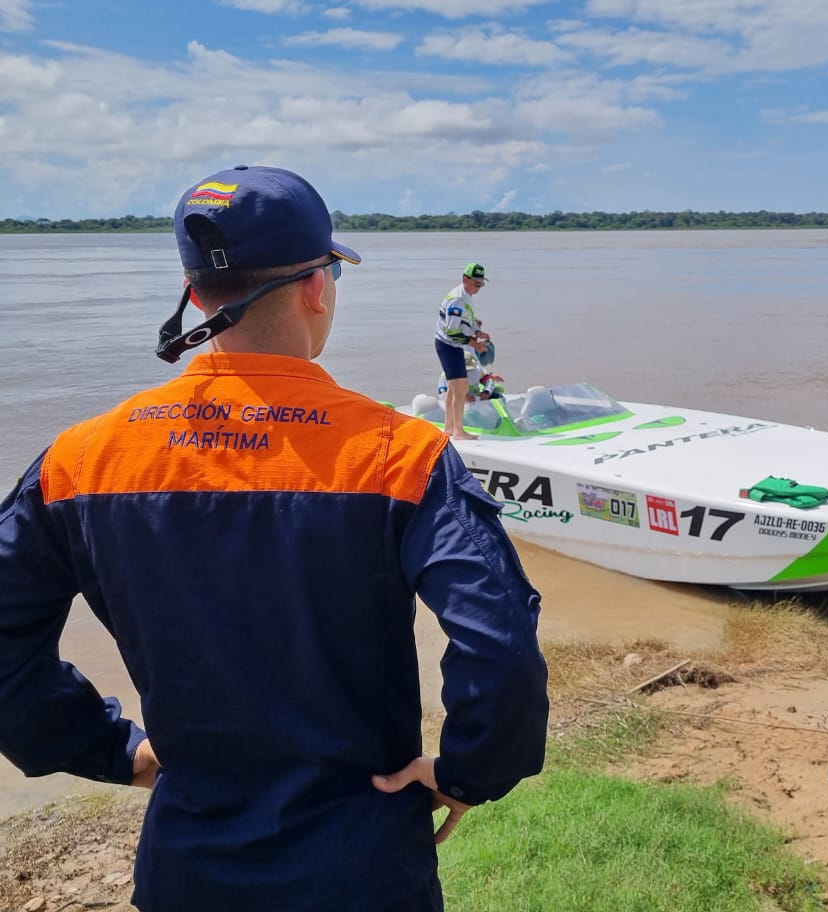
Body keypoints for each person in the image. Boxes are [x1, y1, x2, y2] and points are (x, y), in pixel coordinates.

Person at [0, 165, 549, 912]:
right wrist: (470, 770)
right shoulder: (401, 454)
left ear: (195, 296)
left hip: (190, 870)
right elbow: (502, 643)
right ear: (318, 287)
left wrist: (111, 749)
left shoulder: (81, 460)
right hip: (363, 868)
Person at [434, 261, 490, 439]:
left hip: (452, 345)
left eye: (481, 284)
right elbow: (452, 331)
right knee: (461, 386)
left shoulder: (466, 295)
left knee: (453, 387)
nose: (478, 288)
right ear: (465, 279)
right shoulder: (457, 299)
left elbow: (466, 321)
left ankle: (449, 427)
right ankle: (459, 430)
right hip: (448, 345)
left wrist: (478, 332)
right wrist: (474, 344)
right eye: (476, 284)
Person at [436, 346, 505, 403]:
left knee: (499, 396)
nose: (468, 371)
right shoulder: (446, 375)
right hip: (459, 403)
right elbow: (443, 395)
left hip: (477, 398)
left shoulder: (477, 369)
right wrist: (463, 396)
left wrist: (486, 392)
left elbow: (489, 379)